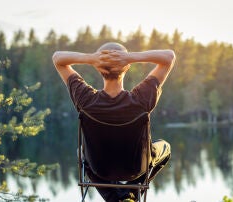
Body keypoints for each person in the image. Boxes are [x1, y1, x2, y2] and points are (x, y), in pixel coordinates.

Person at [52, 42, 175, 202]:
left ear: (98, 68)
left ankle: (115, 198)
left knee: (81, 152)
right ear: (127, 67)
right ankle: (132, 194)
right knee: (165, 147)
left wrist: (92, 58)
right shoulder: (141, 99)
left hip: (100, 170)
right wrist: (130, 57)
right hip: (137, 169)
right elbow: (169, 57)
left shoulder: (86, 100)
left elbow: (57, 58)